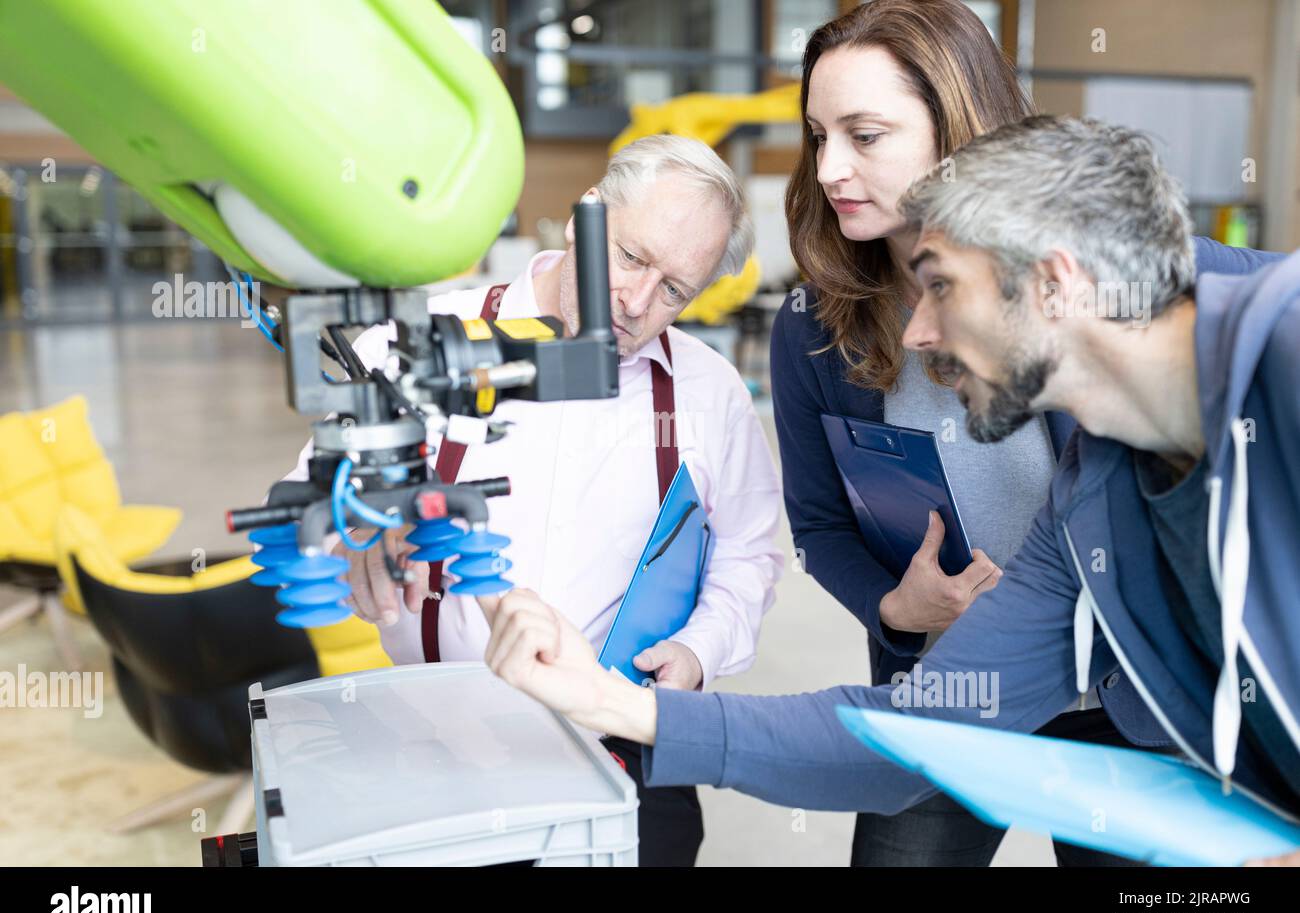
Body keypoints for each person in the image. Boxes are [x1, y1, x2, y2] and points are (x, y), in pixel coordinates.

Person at [476, 115, 1300, 867]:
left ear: (1053, 282)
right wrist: (613, 702)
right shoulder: (1089, 501)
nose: (915, 333)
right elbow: (916, 731)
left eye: (939, 285)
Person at [771, 0, 1277, 865]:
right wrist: (895, 607)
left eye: (864, 135)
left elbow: (1247, 300)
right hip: (956, 685)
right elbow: (818, 527)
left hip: (1134, 694)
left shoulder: (1106, 280)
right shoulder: (816, 323)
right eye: (818, 136)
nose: (829, 169)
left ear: (953, 130)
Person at [283, 134, 784, 867]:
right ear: (586, 213)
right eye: (632, 257)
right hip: (433, 734)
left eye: (675, 289)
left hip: (620, 742)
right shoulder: (426, 342)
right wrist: (354, 532)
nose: (637, 301)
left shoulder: (708, 392)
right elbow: (315, 492)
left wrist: (698, 651)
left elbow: (751, 551)